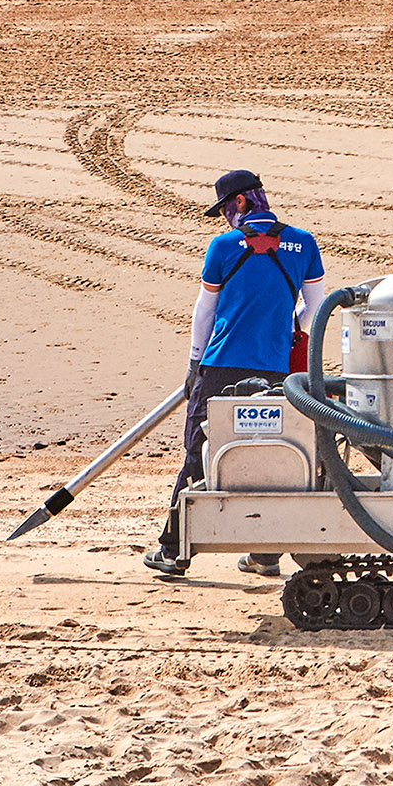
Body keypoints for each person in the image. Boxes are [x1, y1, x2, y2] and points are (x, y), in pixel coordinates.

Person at [146, 168, 327, 578]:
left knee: (200, 453)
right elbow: (314, 311)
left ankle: (173, 550)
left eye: (226, 208)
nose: (226, 217)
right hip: (277, 370)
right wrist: (285, 329)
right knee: (273, 456)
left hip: (221, 364)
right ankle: (266, 554)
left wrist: (194, 365)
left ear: (241, 202)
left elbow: (205, 311)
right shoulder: (303, 243)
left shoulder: (224, 246)